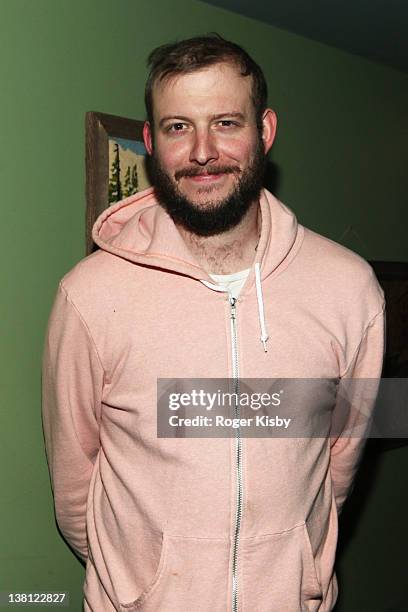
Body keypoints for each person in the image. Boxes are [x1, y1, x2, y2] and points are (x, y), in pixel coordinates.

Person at [42, 34, 385, 611]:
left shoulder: (351, 290)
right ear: (151, 142)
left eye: (226, 122)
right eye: (178, 127)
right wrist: (142, 585)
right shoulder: (88, 297)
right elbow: (75, 484)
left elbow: (339, 467)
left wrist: (296, 564)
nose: (203, 151)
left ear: (265, 131)